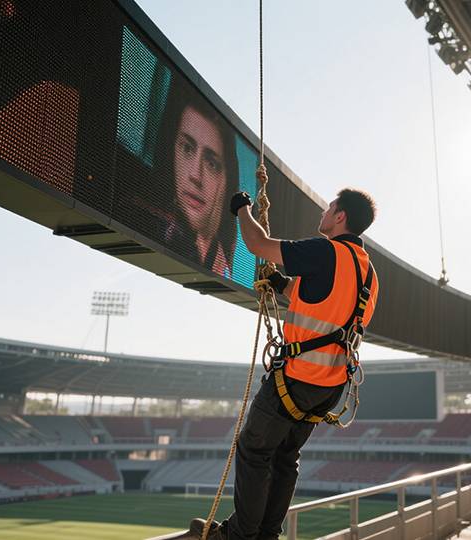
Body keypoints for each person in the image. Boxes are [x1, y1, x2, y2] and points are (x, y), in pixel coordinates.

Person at [188, 166, 380, 540]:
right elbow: (326, 304)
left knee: (253, 449)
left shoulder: (325, 251)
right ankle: (266, 534)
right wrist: (282, 284)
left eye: (329, 208)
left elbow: (258, 245)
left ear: (340, 216)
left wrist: (242, 208)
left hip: (298, 377)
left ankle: (240, 536)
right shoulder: (367, 272)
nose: (324, 212)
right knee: (285, 457)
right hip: (330, 387)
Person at [155, 89, 240, 278]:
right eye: (187, 148)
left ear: (227, 181)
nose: (195, 175)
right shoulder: (145, 222)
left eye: (211, 164)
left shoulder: (226, 268)